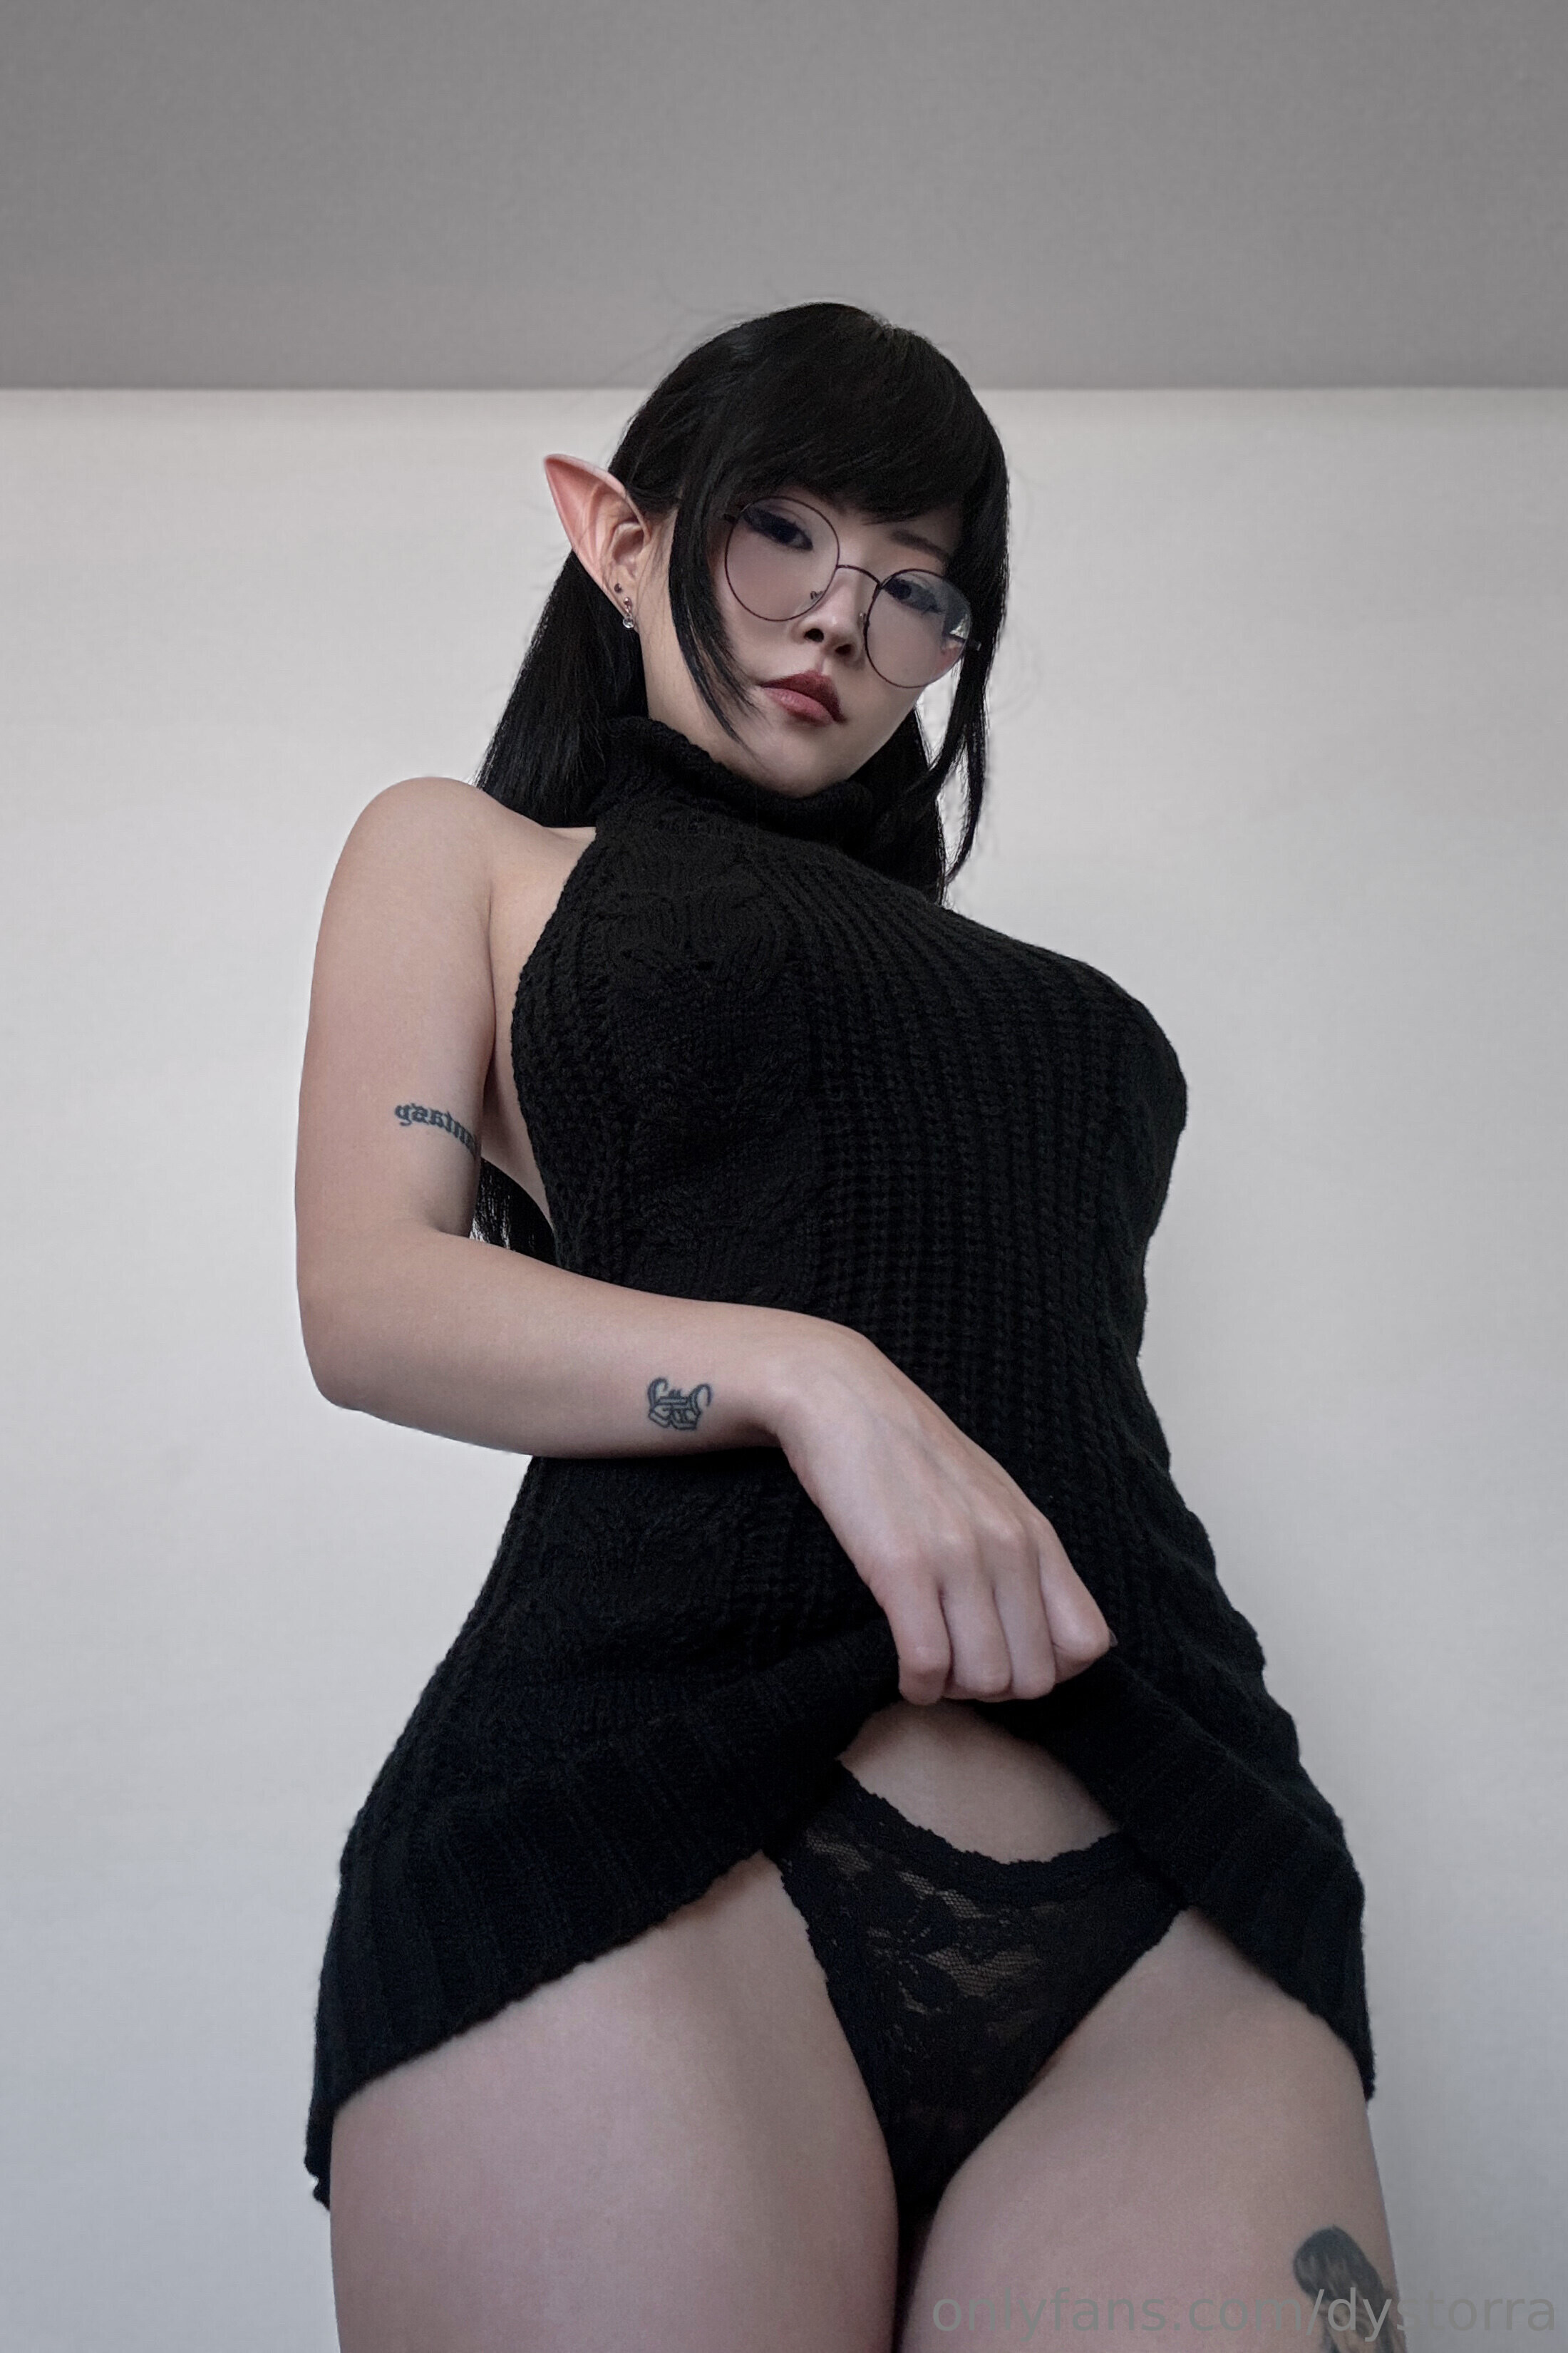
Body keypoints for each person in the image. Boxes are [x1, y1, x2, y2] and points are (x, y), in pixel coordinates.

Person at [295, 304, 1405, 2353]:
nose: (837, 615)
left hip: (1177, 1840)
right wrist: (814, 1374)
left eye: (915, 585)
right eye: (782, 529)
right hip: (631, 1820)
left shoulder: (1065, 1009)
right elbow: (371, 1300)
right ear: (617, 532)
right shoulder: (478, 859)